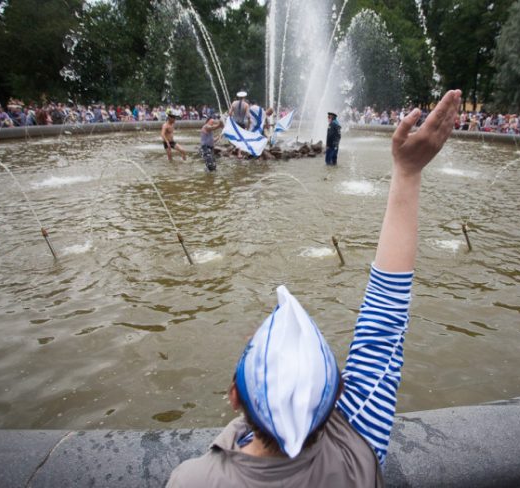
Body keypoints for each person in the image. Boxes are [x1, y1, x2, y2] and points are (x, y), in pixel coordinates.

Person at [166, 89, 462, 488]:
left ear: (234, 397)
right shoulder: (358, 445)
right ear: (339, 392)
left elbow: (384, 326)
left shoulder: (193, 481)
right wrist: (408, 172)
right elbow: (385, 322)